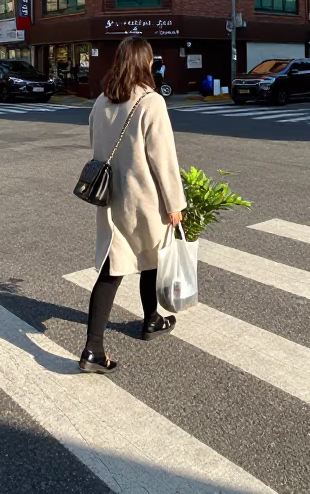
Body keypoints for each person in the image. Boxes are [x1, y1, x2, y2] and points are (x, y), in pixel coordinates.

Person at [81, 36, 184, 375]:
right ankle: (146, 322)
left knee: (114, 268)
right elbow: (163, 159)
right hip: (144, 198)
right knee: (151, 258)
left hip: (111, 197)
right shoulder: (151, 102)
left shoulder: (101, 101)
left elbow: (95, 146)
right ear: (146, 63)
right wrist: (174, 203)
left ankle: (101, 344)